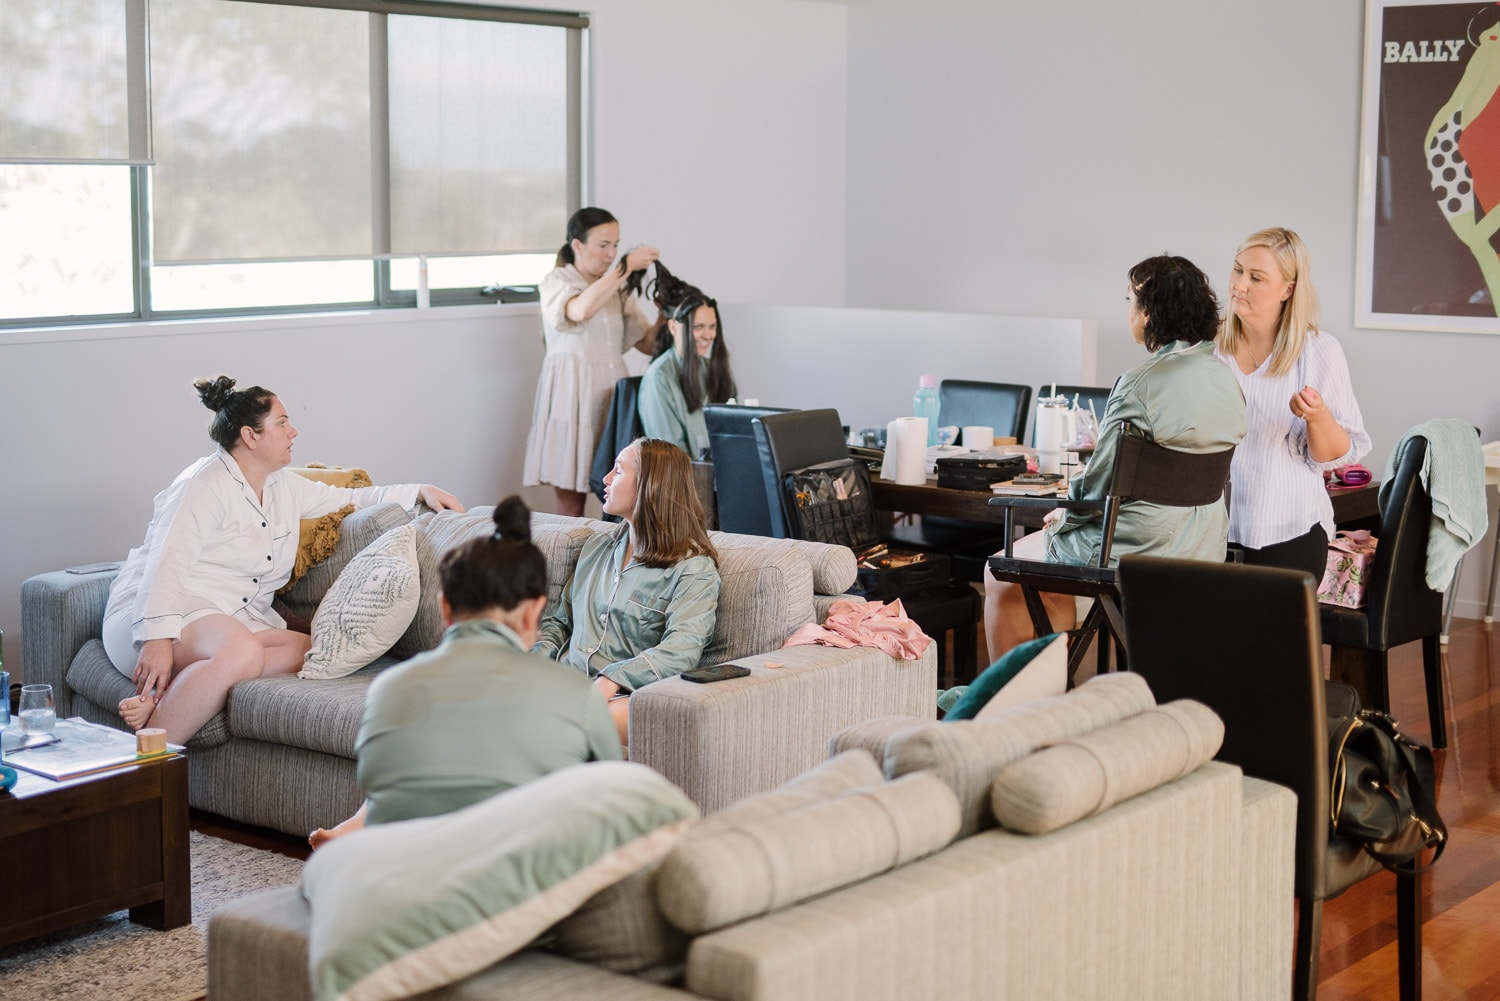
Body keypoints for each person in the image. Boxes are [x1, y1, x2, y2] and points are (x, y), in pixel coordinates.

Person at [105, 376, 464, 745]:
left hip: (228, 618)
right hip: (166, 608)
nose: (293, 431)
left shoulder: (283, 485)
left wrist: (420, 490)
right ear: (250, 436)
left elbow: (351, 498)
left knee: (311, 649)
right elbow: (166, 564)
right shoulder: (202, 485)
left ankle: (176, 696)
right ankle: (145, 760)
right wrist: (156, 640)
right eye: (281, 423)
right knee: (240, 651)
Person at [309, 496, 622, 848]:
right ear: (533, 612)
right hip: (512, 882)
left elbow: (380, 792)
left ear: (444, 607)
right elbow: (607, 802)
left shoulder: (387, 689)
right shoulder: (576, 694)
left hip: (398, 872)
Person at [983, 255, 1248, 657]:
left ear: (1149, 313)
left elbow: (1099, 487)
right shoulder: (1225, 379)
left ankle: (1017, 702)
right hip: (1200, 545)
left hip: (1135, 546)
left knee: (1001, 567)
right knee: (1047, 566)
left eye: (1131, 301)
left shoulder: (1140, 383)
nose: (1129, 312)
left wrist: (1065, 515)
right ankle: (1047, 691)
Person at [534, 437, 722, 744]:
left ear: (650, 486)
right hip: (565, 684)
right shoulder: (595, 547)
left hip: (620, 697)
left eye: (618, 471)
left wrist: (611, 679)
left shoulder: (693, 569)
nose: (605, 479)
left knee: (589, 719)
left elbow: (681, 651)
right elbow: (559, 622)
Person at [1215, 227, 1370, 579]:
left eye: (1256, 277)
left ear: (1288, 289)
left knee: (1276, 636)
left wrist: (1318, 417)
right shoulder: (1210, 346)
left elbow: (1334, 454)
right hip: (1212, 531)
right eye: (1238, 270)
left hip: (1289, 530)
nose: (1240, 285)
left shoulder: (1318, 351)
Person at [523, 207, 660, 517]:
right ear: (577, 245)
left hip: (612, 397)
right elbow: (579, 311)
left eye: (616, 245)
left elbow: (648, 344)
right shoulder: (557, 280)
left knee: (622, 497)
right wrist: (624, 267)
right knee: (571, 504)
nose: (611, 253)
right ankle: (567, 563)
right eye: (603, 245)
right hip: (571, 396)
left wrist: (666, 313)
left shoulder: (617, 287)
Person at [637, 287, 737, 458]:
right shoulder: (659, 378)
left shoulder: (709, 367)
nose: (708, 335)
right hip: (685, 478)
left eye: (712, 327)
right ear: (673, 327)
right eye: (698, 327)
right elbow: (670, 454)